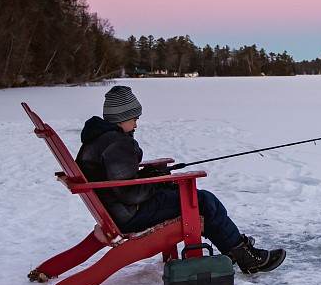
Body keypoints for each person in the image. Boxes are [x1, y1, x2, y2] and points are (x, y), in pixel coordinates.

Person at [76, 85, 285, 274]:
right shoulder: (117, 144)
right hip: (131, 214)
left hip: (118, 210)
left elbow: (121, 181)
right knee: (202, 201)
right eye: (134, 118)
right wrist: (157, 181)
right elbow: (130, 193)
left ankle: (235, 249)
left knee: (196, 200)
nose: (137, 124)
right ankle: (244, 255)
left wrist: (153, 176)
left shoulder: (97, 139)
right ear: (122, 117)